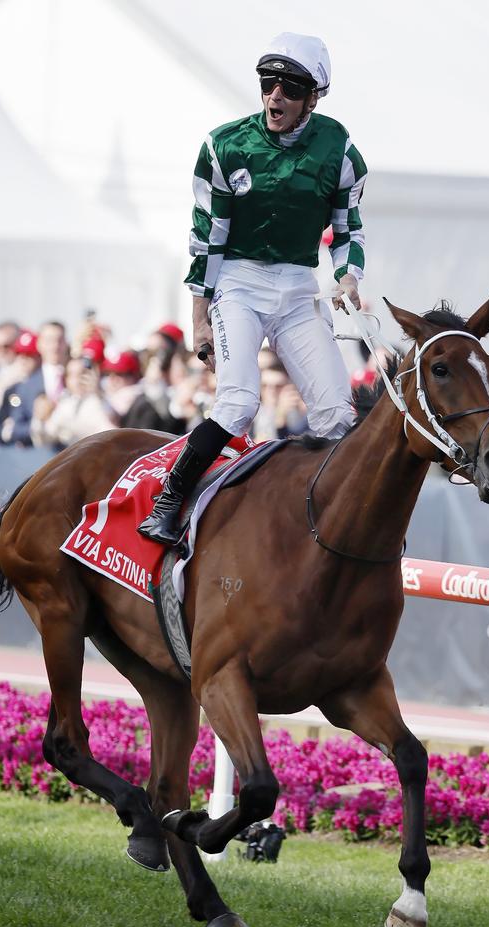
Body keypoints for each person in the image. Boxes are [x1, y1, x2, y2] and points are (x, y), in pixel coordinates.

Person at [139, 31, 367, 544]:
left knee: (337, 413)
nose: (274, 96)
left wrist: (348, 275)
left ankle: (339, 529)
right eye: (268, 83)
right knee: (239, 404)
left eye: (289, 87)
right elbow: (206, 240)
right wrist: (199, 316)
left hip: (297, 285)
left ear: (315, 96)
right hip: (238, 282)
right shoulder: (224, 145)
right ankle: (169, 500)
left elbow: (349, 227)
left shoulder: (341, 148)